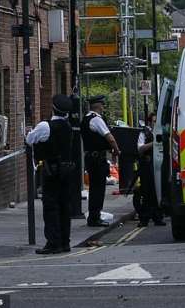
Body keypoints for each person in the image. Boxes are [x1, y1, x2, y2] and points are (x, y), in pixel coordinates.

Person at [26, 95, 76, 254]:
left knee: (51, 206)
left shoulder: (45, 126)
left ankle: (53, 243)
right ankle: (65, 242)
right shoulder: (68, 126)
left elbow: (29, 139)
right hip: (67, 172)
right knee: (64, 206)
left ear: (53, 108)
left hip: (51, 171)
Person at [80, 95, 121, 227]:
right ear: (97, 105)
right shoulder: (96, 120)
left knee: (95, 189)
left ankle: (94, 216)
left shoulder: (86, 119)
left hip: (92, 158)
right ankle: (94, 218)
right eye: (102, 104)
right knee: (98, 189)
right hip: (97, 159)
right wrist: (116, 150)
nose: (103, 107)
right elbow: (110, 138)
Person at [134, 112, 165, 227]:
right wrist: (154, 143)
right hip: (147, 165)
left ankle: (158, 217)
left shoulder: (161, 132)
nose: (155, 123)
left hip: (159, 164)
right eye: (153, 121)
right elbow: (140, 148)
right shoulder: (144, 133)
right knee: (147, 191)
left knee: (157, 191)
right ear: (149, 122)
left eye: (157, 121)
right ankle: (144, 219)